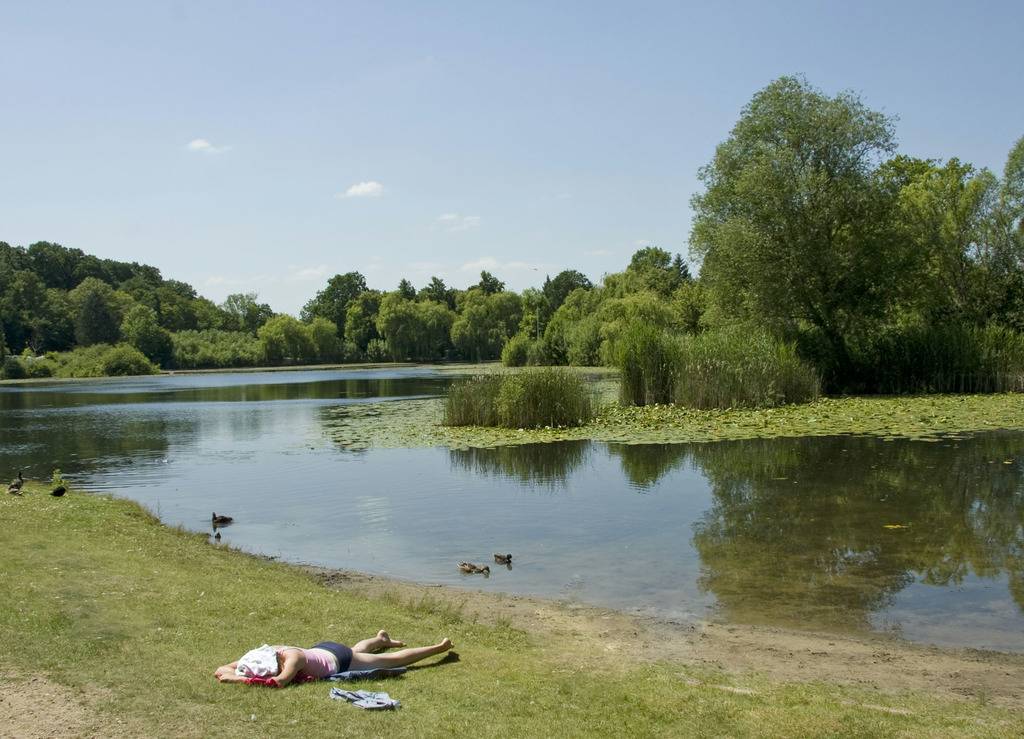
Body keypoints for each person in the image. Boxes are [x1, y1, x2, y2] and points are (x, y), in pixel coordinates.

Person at [214, 630, 453, 686]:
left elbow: (279, 683)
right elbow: (222, 667)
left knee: (393, 661)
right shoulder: (270, 651)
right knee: (357, 650)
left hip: (339, 660)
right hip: (324, 650)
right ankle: (380, 639)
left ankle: (439, 648)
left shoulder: (292, 660)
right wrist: (232, 670)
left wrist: (235, 679)